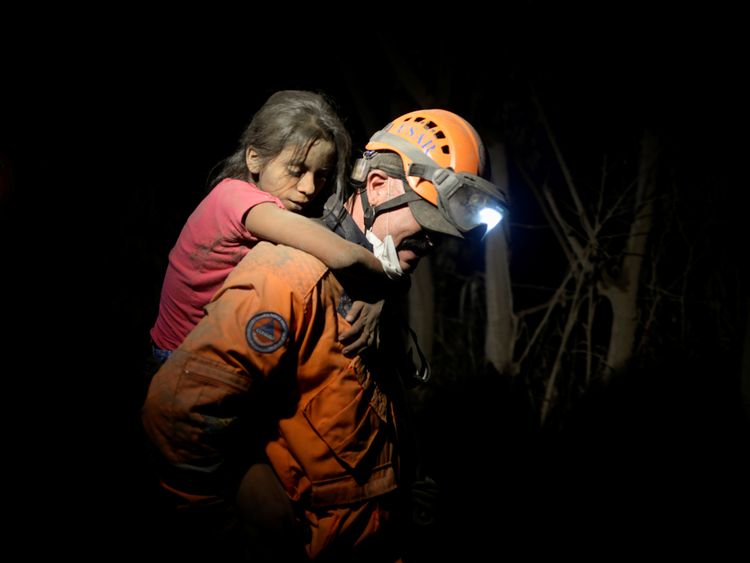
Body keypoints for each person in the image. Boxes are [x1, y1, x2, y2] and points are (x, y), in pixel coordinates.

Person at [142, 109, 508, 561]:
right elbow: (175, 414)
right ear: (377, 186)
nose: (431, 244)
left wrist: (405, 484)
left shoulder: (379, 284)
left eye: (443, 235)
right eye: (426, 223)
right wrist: (227, 538)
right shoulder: (287, 277)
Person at [148, 90, 392, 371]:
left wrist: (376, 297)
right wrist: (388, 285)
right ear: (254, 158)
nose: (309, 188)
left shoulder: (262, 200)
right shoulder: (240, 201)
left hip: (210, 349)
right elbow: (342, 255)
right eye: (296, 170)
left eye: (320, 175)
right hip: (180, 362)